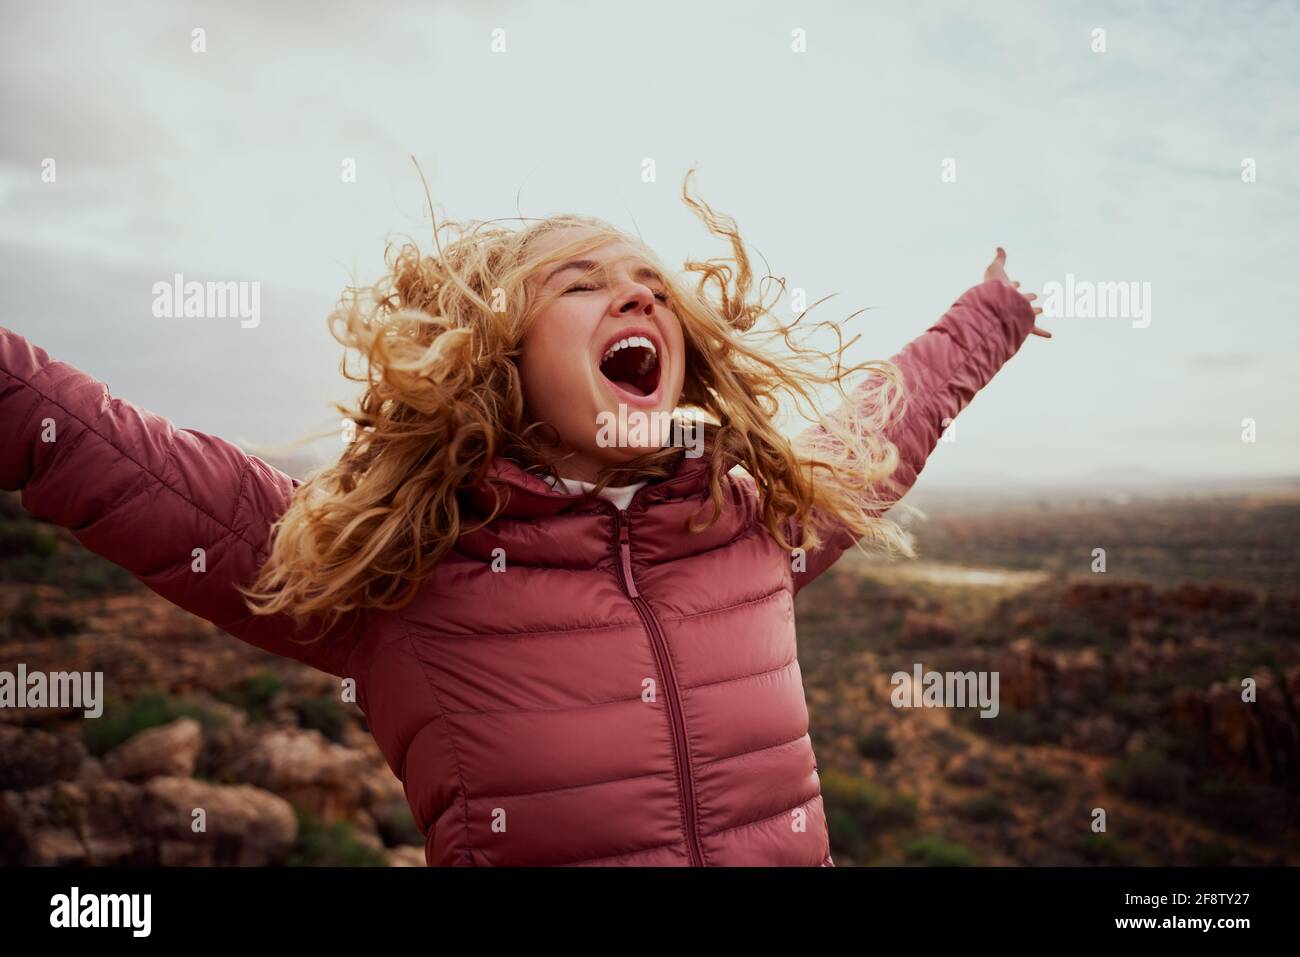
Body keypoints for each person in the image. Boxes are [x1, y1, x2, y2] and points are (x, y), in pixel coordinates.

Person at [0, 174, 1048, 866]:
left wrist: (993, 314)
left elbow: (885, 416)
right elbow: (120, 460)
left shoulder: (746, 519)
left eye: (653, 288)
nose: (637, 301)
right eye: (583, 286)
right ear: (495, 353)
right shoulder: (393, 568)